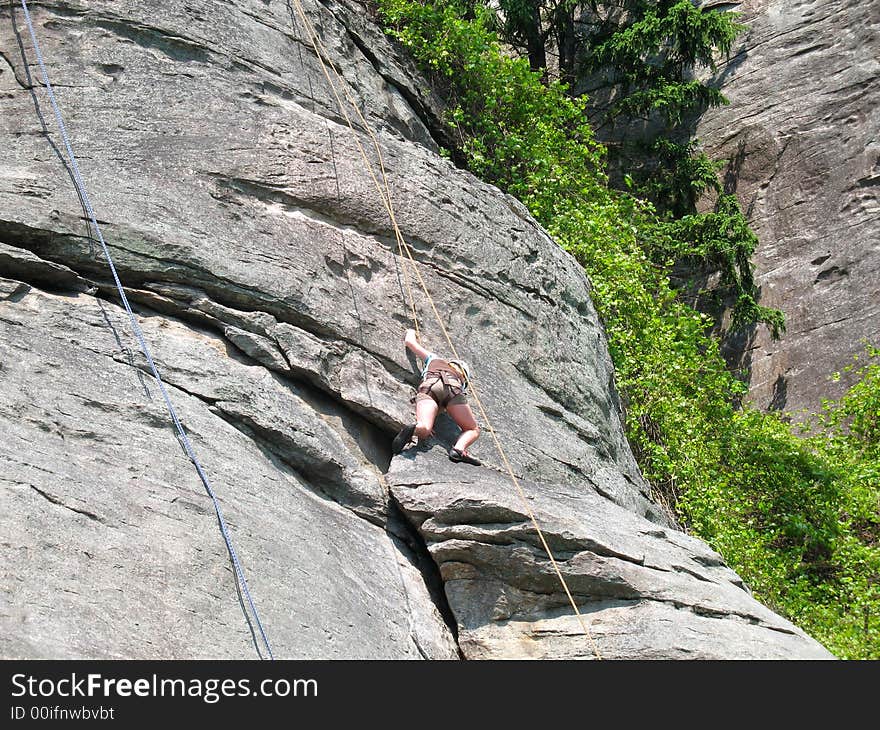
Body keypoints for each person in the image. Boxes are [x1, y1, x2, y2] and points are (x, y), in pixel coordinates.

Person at [392, 328, 482, 465]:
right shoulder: (460, 381)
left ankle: (417, 428)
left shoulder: (434, 359)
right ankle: (458, 450)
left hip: (429, 386)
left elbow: (410, 342)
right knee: (472, 429)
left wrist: (411, 331)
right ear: (464, 377)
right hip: (453, 389)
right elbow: (444, 404)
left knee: (426, 428)